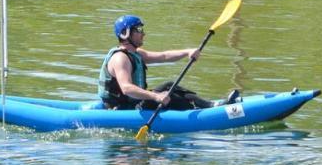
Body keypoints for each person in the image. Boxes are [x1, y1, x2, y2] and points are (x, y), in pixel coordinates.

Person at [98, 14, 239, 110]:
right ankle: (202, 111)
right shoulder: (120, 58)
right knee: (169, 95)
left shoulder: (136, 54)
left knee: (170, 86)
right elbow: (127, 88)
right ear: (126, 33)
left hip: (133, 103)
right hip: (122, 109)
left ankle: (210, 105)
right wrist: (156, 96)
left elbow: (164, 56)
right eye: (139, 30)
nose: (143, 33)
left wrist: (187, 52)